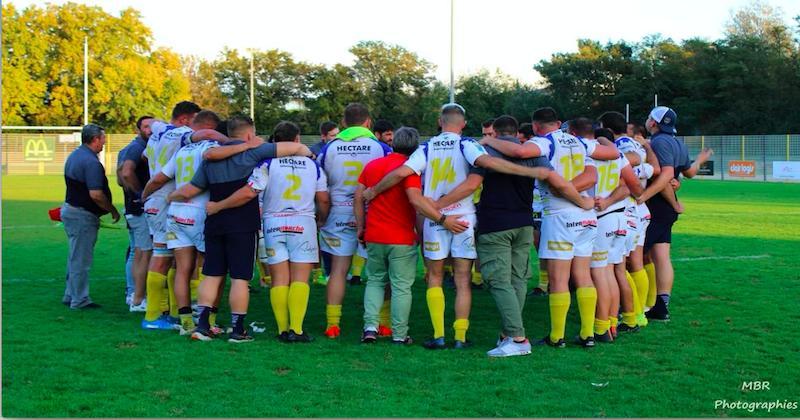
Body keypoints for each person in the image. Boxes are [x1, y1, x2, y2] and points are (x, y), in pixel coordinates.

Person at [363, 103, 551, 349]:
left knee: (434, 277)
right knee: (463, 280)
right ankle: (460, 336)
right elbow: (485, 168)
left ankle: (439, 335)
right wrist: (526, 171)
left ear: (440, 122)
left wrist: (374, 190)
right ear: (463, 124)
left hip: (434, 219)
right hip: (463, 218)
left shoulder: (426, 147)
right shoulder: (468, 145)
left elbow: (400, 173)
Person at [480, 107, 620, 348]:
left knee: (558, 279)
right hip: (586, 216)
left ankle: (557, 337)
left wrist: (486, 140)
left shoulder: (545, 142)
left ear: (535, 126)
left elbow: (521, 150)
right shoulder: (580, 142)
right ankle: (587, 335)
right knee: (583, 276)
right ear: (558, 122)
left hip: (559, 216)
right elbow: (611, 155)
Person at [170, 116, 314, 343]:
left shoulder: (210, 159)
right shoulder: (254, 153)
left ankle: (203, 325)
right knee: (240, 278)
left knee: (211, 274)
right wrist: (308, 153)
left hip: (214, 221)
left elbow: (190, 190)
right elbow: (297, 147)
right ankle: (238, 330)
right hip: (243, 223)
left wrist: (170, 197)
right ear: (249, 134)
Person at [471, 116, 583, 356]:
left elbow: (472, 183)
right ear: (516, 132)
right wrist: (582, 201)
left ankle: (518, 337)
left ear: (495, 133)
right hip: (523, 222)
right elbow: (555, 180)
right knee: (518, 279)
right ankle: (507, 334)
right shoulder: (533, 153)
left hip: (495, 223)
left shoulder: (484, 149)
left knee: (498, 280)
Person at [211, 121, 331, 343]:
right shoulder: (313, 165)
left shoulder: (267, 163)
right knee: (300, 278)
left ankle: (282, 329)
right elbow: (323, 198)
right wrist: (322, 218)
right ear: (297, 140)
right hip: (303, 223)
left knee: (279, 279)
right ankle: (297, 329)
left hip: (274, 223)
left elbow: (249, 192)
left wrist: (219, 205)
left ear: (274, 140)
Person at [355, 127, 470, 345]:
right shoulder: (411, 170)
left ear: (393, 143)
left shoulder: (372, 165)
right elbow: (416, 202)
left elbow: (358, 197)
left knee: (375, 281)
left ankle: (370, 328)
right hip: (401, 236)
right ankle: (399, 334)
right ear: (416, 146)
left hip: (374, 234)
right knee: (401, 287)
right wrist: (435, 224)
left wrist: (361, 227)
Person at [143, 111, 253, 334]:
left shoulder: (183, 150)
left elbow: (160, 178)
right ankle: (208, 320)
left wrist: (144, 195)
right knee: (212, 270)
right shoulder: (212, 150)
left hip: (176, 212)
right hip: (200, 213)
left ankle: (184, 321)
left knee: (182, 268)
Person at [316, 103, 392, 339]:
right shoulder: (380, 147)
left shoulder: (330, 148)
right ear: (368, 122)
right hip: (372, 211)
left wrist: (321, 215)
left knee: (338, 270)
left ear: (344, 122)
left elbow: (319, 180)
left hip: (338, 211)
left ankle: (332, 325)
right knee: (379, 271)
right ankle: (384, 323)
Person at [636, 107, 711, 321]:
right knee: (660, 257)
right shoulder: (678, 142)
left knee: (635, 255)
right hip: (666, 209)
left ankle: (636, 305)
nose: (648, 121)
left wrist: (649, 195)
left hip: (656, 206)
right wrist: (700, 160)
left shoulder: (658, 142)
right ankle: (660, 306)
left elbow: (666, 176)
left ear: (654, 123)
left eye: (650, 118)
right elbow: (689, 173)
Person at [598, 111, 660, 328]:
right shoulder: (633, 145)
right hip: (638, 211)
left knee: (623, 267)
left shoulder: (619, 148)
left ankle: (632, 315)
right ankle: (640, 312)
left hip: (627, 211)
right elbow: (656, 169)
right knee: (633, 264)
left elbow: (626, 175)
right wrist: (647, 149)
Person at [62, 124, 120, 309]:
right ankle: (79, 300)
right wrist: (112, 210)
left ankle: (70, 294)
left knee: (74, 255)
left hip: (72, 210)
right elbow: (96, 194)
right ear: (95, 139)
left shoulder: (75, 155)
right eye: (103, 139)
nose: (104, 143)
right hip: (82, 216)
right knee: (81, 259)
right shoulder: (91, 162)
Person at [117, 115, 154, 311]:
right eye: (146, 126)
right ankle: (136, 296)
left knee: (136, 251)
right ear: (139, 129)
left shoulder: (128, 148)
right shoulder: (137, 147)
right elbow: (124, 173)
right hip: (138, 209)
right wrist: (140, 194)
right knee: (142, 252)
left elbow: (119, 176)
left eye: (152, 126)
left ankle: (133, 293)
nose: (150, 129)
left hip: (132, 207)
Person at [311, 121, 340, 285]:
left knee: (335, 238)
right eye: (333, 135)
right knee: (322, 237)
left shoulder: (335, 149)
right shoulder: (316, 151)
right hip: (319, 199)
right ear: (323, 136)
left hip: (333, 199)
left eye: (338, 134)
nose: (337, 138)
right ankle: (322, 273)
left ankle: (335, 272)